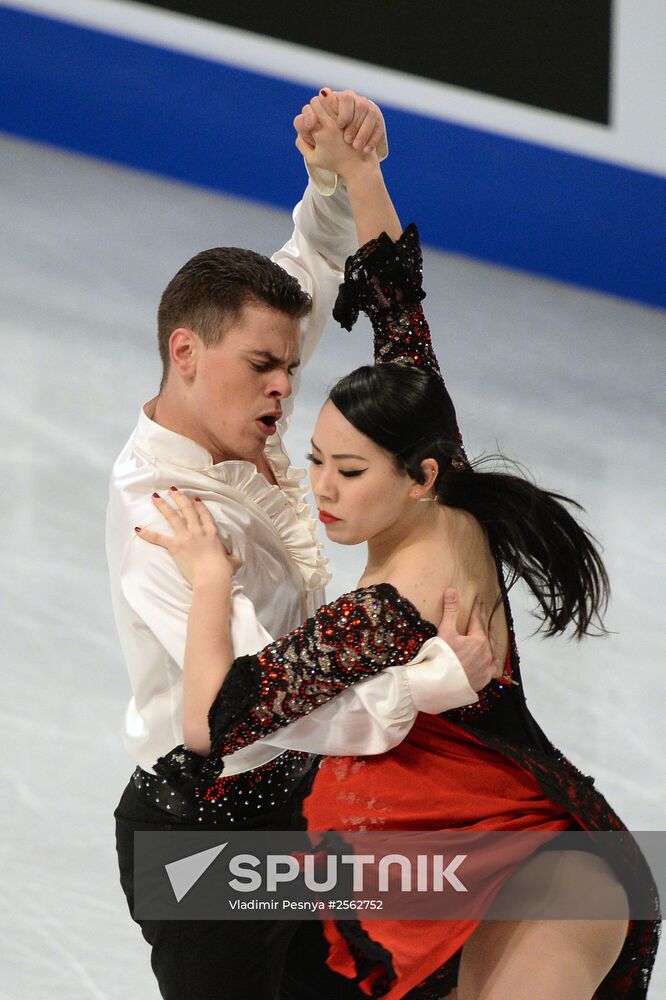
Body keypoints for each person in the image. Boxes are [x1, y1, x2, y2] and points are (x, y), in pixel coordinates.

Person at [140, 97, 660, 999]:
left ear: (415, 475)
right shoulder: (445, 484)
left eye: (348, 471)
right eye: (315, 460)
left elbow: (214, 719)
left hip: (526, 889)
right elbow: (397, 307)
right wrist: (360, 171)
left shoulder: (383, 614)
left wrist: (214, 574)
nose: (323, 490)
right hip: (463, 877)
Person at [109, 89, 499, 1000]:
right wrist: (429, 684)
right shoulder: (166, 519)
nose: (289, 389)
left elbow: (314, 267)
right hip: (204, 822)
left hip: (300, 801)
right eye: (265, 368)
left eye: (291, 367)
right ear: (186, 353)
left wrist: (332, 168)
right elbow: (255, 701)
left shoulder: (240, 415)